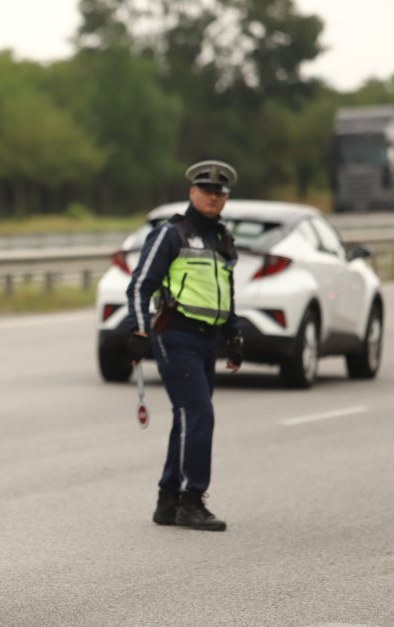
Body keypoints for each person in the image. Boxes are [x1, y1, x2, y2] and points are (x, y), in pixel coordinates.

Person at [125, 160, 244, 532]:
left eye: (219, 192)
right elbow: (140, 285)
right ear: (192, 192)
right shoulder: (171, 233)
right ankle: (192, 501)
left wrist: (234, 333)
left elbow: (225, 291)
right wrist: (140, 331)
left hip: (208, 339)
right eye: (206, 190)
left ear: (225, 198)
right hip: (176, 334)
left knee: (187, 417)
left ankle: (168, 500)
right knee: (199, 415)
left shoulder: (222, 237)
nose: (213, 196)